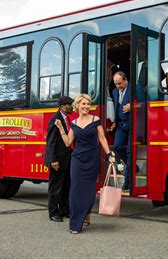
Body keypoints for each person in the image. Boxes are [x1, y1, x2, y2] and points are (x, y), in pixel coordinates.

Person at [55, 93, 112, 234]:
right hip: (77, 159)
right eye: (84, 104)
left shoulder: (95, 119)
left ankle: (86, 213)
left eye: (88, 104)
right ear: (78, 105)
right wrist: (62, 129)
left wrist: (109, 154)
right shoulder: (73, 123)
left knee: (89, 191)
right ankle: (75, 223)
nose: (86, 106)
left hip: (92, 158)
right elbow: (68, 142)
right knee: (75, 190)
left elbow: (102, 138)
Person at [44, 95, 74, 222]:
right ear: (62, 106)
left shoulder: (66, 119)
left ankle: (64, 210)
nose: (72, 107)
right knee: (55, 187)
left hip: (66, 159)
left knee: (65, 186)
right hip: (57, 160)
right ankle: (53, 212)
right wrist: (53, 160)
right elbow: (51, 142)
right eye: (69, 104)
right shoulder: (55, 119)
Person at [110, 71, 131, 190]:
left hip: (133, 125)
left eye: (120, 83)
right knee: (117, 146)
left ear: (125, 80)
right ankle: (129, 165)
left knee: (129, 152)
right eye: (116, 84)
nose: (118, 86)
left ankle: (127, 182)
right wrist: (114, 122)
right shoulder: (114, 92)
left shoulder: (134, 89)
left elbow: (145, 103)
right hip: (120, 125)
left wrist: (133, 106)